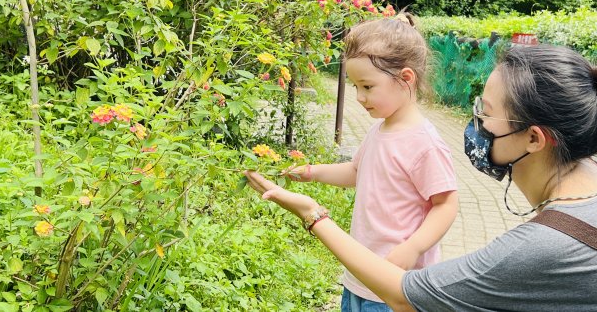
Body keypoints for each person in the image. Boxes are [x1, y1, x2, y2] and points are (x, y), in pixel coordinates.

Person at [246, 44, 597, 311]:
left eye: (485, 113)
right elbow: (356, 171)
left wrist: (313, 214)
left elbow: (403, 294)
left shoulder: (536, 249)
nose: (476, 123)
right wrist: (310, 173)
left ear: (534, 139)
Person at [283, 15, 458, 311]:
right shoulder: (380, 129)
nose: (360, 98)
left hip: (396, 284)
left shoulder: (424, 143)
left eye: (367, 86)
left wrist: (412, 248)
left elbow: (446, 204)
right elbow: (355, 171)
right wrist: (311, 172)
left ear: (406, 79)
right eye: (355, 87)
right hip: (359, 277)